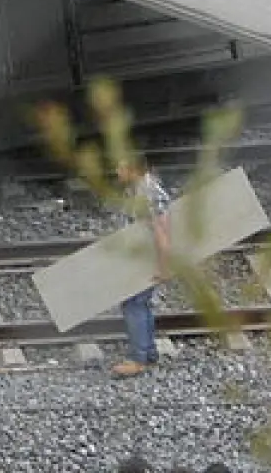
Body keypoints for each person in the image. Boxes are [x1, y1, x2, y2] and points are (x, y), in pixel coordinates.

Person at [112, 156, 173, 379]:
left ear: (133, 169)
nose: (116, 169)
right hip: (141, 257)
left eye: (121, 166)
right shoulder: (140, 189)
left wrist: (163, 267)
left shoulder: (147, 194)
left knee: (133, 303)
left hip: (147, 259)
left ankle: (138, 359)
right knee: (140, 303)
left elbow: (161, 234)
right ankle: (148, 353)